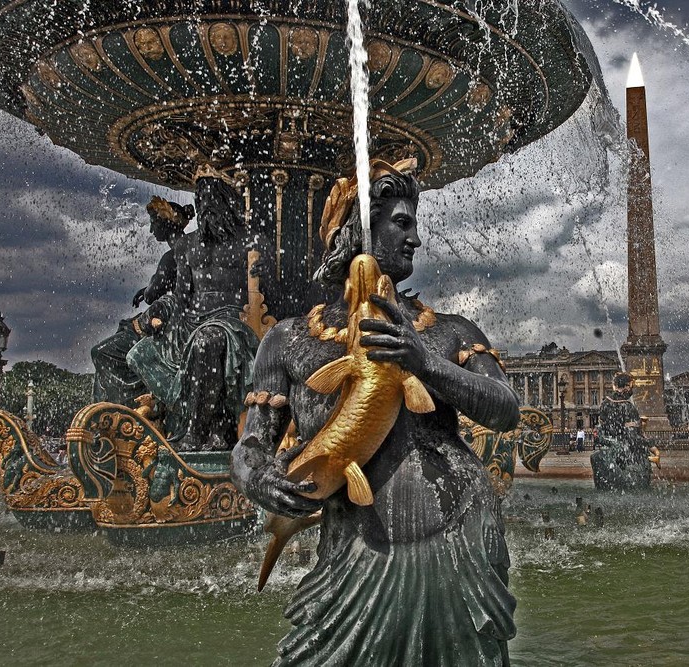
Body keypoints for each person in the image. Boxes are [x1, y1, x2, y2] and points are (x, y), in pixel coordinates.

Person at [231, 158, 520, 665]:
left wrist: (425, 362)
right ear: (356, 231)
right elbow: (253, 440)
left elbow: (504, 409)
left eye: (415, 225)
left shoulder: (449, 330)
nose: (415, 240)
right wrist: (256, 476)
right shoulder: (288, 339)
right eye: (401, 223)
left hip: (458, 540)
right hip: (357, 547)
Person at [128, 166, 259, 450]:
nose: (206, 209)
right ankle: (184, 418)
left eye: (212, 202)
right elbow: (181, 295)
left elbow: (263, 289)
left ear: (226, 203)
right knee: (139, 353)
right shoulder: (187, 246)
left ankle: (197, 431)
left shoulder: (246, 241)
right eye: (201, 203)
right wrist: (161, 309)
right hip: (191, 320)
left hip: (231, 319)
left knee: (205, 342)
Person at [91, 197, 193, 406]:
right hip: (179, 317)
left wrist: (148, 290)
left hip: (171, 324)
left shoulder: (172, 255)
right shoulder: (190, 248)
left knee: (103, 352)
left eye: (153, 223)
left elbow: (152, 295)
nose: (151, 230)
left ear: (166, 222)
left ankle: (120, 408)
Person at [590, 372, 652, 491]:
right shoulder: (628, 407)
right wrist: (651, 444)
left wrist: (611, 443)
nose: (632, 389)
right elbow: (632, 438)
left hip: (609, 452)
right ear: (627, 386)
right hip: (626, 457)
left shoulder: (605, 404)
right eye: (631, 386)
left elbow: (599, 432)